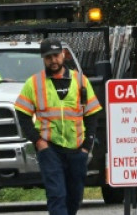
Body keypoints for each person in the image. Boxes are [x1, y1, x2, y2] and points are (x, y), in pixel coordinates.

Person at [15, 38, 102, 215]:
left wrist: (86, 146)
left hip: (77, 150)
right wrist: (38, 141)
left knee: (74, 195)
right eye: (48, 57)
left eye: (56, 56)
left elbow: (92, 114)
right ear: (43, 59)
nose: (53, 60)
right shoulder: (34, 83)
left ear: (63, 55)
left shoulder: (81, 81)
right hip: (50, 149)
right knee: (57, 194)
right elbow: (22, 114)